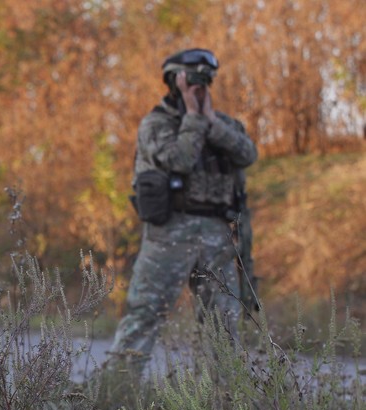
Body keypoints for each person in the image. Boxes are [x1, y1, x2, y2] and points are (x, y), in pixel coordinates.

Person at [107, 48, 258, 374]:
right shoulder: (157, 123)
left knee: (224, 324)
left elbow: (247, 153)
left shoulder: (222, 124)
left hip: (217, 235)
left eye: (206, 77)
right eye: (192, 77)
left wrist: (210, 122)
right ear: (174, 79)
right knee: (144, 315)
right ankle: (114, 395)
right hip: (169, 234)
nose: (200, 83)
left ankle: (221, 407)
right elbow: (179, 160)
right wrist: (193, 118)